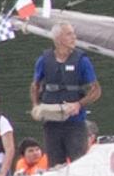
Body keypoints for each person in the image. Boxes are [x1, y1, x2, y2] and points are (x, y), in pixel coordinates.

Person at [31, 22, 102, 167]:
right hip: (51, 122)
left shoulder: (82, 61)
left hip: (75, 123)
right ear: (58, 38)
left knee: (79, 163)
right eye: (69, 34)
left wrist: (79, 104)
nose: (74, 37)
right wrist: (35, 106)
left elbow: (96, 90)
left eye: (73, 34)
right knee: (55, 165)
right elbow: (35, 85)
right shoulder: (44, 60)